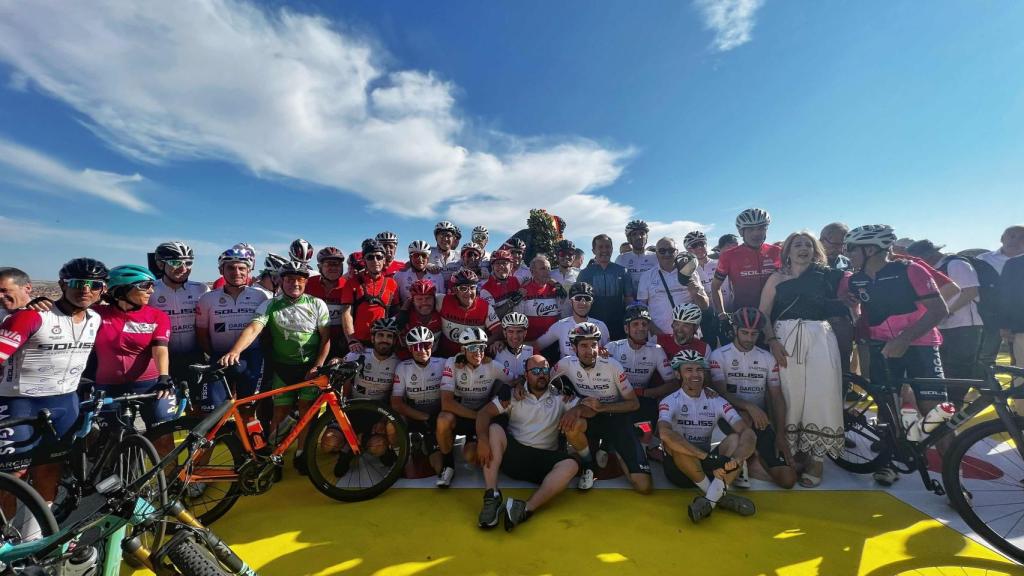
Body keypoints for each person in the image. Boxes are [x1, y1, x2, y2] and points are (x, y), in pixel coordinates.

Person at [845, 225, 949, 485]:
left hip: (921, 345)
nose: (848, 254)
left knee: (933, 410)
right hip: (882, 346)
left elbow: (939, 309)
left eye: (852, 249)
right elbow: (860, 309)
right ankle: (890, 461)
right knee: (886, 405)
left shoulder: (910, 270)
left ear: (870, 249)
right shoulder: (855, 279)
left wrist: (905, 338)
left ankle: (951, 479)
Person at [0, 259, 105, 511]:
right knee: (13, 476)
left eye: (94, 285)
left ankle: (35, 537)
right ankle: (6, 540)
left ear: (104, 289)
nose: (86, 290)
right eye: (78, 283)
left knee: (49, 471)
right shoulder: (32, 316)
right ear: (62, 284)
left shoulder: (95, 319)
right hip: (18, 403)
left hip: (65, 403)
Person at [219, 260, 330, 477]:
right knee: (280, 413)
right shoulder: (270, 304)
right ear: (281, 281)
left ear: (306, 282)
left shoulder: (317, 304)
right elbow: (253, 328)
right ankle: (276, 457)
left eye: (299, 279)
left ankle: (301, 454)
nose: (294, 284)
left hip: (309, 368)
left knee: (307, 411)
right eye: (289, 279)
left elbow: (326, 339)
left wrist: (318, 365)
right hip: (282, 368)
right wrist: (236, 351)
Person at [758, 233, 847, 487]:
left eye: (808, 245)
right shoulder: (776, 278)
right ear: (787, 251)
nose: (803, 249)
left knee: (822, 393)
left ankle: (817, 458)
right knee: (789, 393)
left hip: (820, 335)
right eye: (797, 245)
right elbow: (763, 313)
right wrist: (772, 341)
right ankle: (792, 449)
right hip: (785, 337)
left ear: (815, 249)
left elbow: (842, 302)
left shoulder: (827, 276)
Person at [475, 355, 581, 531]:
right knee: (494, 429)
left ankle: (525, 508)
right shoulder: (512, 395)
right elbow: (484, 414)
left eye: (545, 370)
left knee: (571, 465)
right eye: (536, 371)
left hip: (544, 460)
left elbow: (588, 408)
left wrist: (577, 409)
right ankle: (491, 496)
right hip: (515, 456)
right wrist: (482, 440)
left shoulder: (561, 396)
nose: (541, 375)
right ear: (526, 374)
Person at [658, 350, 756, 524]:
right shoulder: (669, 401)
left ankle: (710, 500)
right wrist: (707, 457)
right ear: (677, 373)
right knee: (673, 442)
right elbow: (664, 433)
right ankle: (720, 497)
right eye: (688, 370)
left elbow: (747, 432)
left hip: (709, 465)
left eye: (699, 369)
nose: (695, 374)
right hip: (681, 469)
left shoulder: (715, 399)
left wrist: (738, 459)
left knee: (735, 439)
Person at [553, 322, 651, 493]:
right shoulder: (566, 364)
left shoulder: (612, 365)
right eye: (583, 345)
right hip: (591, 416)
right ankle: (588, 465)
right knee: (571, 425)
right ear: (574, 348)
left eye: (593, 345)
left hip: (618, 419)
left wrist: (603, 407)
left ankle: (613, 447)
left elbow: (634, 403)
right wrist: (563, 390)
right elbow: (542, 379)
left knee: (644, 487)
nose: (589, 350)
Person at [707, 308, 797, 490]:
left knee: (787, 480)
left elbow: (777, 397)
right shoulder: (719, 355)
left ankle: (751, 459)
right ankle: (745, 460)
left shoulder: (767, 358)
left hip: (761, 422)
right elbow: (722, 392)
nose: (749, 338)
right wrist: (750, 407)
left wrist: (780, 434)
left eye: (754, 334)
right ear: (735, 330)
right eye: (744, 333)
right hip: (731, 419)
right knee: (746, 416)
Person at [908, 239, 985, 404]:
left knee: (962, 365)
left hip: (965, 324)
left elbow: (970, 291)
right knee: (948, 365)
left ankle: (957, 400)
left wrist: (947, 311)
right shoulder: (932, 268)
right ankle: (953, 398)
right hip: (943, 325)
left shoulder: (956, 264)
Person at [436, 327, 513, 487]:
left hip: (481, 420)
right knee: (443, 419)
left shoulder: (493, 365)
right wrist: (480, 416)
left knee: (471, 456)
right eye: (471, 348)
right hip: (466, 414)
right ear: (463, 350)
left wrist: (508, 387)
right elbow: (447, 402)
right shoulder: (453, 363)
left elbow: (518, 379)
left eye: (481, 347)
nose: (477, 352)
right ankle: (448, 465)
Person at [195, 248, 269, 412]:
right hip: (219, 358)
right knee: (213, 411)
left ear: (249, 270)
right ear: (221, 270)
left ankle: (243, 438)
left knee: (248, 410)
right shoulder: (207, 299)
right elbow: (201, 333)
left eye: (242, 268)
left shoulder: (261, 296)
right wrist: (214, 353)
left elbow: (263, 331)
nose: (237, 272)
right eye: (230, 268)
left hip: (252, 359)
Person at [332, 318, 401, 477]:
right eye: (380, 335)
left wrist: (383, 421)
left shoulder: (398, 363)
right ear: (372, 338)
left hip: (377, 412)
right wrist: (336, 360)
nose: (384, 340)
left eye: (389, 336)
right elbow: (344, 382)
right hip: (353, 408)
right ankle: (347, 448)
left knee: (378, 446)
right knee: (329, 443)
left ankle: (364, 444)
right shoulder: (357, 355)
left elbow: (393, 396)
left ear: (395, 340)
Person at [604, 304, 676, 431]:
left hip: (642, 399)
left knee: (646, 426)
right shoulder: (612, 347)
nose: (641, 328)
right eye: (636, 324)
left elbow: (672, 383)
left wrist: (644, 392)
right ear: (626, 329)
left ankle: (649, 442)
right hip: (616, 399)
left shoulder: (656, 350)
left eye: (644, 324)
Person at [150, 241, 209, 381]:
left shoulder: (201, 289)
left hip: (195, 355)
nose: (183, 268)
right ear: (160, 264)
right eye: (176, 263)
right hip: (162, 357)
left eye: (188, 263)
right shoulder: (150, 290)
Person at [391, 326, 446, 474]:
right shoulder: (403, 367)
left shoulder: (443, 363)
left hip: (435, 419)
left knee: (439, 468)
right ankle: (399, 456)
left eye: (426, 345)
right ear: (410, 349)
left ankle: (424, 442)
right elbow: (396, 403)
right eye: (416, 346)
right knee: (393, 424)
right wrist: (425, 417)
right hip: (415, 417)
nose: (422, 350)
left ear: (432, 345)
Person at [712, 208, 780, 316]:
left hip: (775, 313)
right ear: (741, 232)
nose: (756, 233)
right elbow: (715, 287)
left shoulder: (777, 252)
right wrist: (721, 313)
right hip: (743, 316)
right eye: (750, 229)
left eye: (761, 228)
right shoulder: (728, 256)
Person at [637, 237, 709, 339]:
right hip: (659, 338)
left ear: (677, 252)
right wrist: (658, 334)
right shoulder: (646, 276)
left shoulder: (691, 273)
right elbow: (641, 310)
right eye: (662, 251)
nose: (667, 254)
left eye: (671, 250)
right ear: (656, 254)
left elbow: (705, 305)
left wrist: (695, 293)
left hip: (689, 336)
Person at [978, 225, 1024, 377]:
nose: (1015, 240)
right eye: (1011, 236)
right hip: (988, 316)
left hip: (1018, 319)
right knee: (985, 358)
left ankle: (1015, 393)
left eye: (1021, 237)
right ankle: (989, 392)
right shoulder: (983, 260)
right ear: (1002, 238)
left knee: (1017, 361)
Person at [341, 239, 399, 354]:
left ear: (384, 259)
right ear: (364, 260)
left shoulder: (392, 283)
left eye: (379, 257)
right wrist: (351, 340)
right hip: (358, 343)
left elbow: (396, 311)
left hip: (382, 342)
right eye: (370, 257)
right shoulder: (352, 282)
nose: (375, 261)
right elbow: (347, 313)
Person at [577, 234, 634, 340]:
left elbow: (629, 299)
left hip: (619, 326)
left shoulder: (622, 271)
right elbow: (578, 302)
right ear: (593, 250)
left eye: (607, 247)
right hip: (592, 326)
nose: (604, 250)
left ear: (612, 249)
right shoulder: (584, 273)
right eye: (600, 247)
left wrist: (631, 321)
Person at [533, 282, 609, 359]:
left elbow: (609, 353)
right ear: (570, 301)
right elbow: (536, 346)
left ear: (592, 302)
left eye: (587, 299)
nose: (583, 303)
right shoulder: (561, 325)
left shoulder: (601, 326)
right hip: (566, 370)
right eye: (578, 298)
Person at [437, 269, 501, 357]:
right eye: (463, 288)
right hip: (445, 356)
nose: (469, 292)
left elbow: (498, 332)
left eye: (472, 287)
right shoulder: (443, 300)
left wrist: (481, 346)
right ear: (455, 290)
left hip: (472, 358)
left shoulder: (485, 307)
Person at [306, 247, 348, 356]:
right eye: (329, 264)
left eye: (337, 264)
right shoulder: (308, 284)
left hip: (339, 343)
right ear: (319, 267)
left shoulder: (348, 286)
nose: (334, 268)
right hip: (311, 341)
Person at [515, 256, 563, 343]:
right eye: (543, 268)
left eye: (549, 268)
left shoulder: (555, 289)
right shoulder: (524, 290)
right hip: (531, 342)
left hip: (553, 342)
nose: (547, 272)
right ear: (532, 271)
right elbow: (518, 321)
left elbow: (561, 314)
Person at [685, 231, 731, 313]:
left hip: (728, 311)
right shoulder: (687, 271)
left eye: (701, 243)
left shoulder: (720, 263)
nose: (699, 248)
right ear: (688, 250)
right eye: (694, 245)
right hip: (706, 316)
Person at [397, 279, 443, 359]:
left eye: (428, 298)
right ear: (413, 301)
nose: (424, 302)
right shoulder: (405, 316)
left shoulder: (441, 311)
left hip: (438, 357)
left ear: (434, 299)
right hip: (411, 359)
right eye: (419, 299)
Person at [998, 254, 1024, 382]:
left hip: (1021, 327)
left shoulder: (1014, 263)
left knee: (1021, 371)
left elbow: (1005, 296)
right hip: (1020, 327)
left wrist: (1004, 325)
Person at [394, 240, 446, 305]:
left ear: (428, 258)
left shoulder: (437, 276)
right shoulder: (399, 275)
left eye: (424, 255)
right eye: (416, 255)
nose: (420, 259)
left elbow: (442, 301)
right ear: (410, 257)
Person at [478, 249, 523, 320]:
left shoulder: (516, 280)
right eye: (498, 263)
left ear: (511, 266)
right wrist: (510, 303)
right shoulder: (486, 289)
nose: (501, 266)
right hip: (498, 328)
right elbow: (490, 318)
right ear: (492, 267)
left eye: (505, 263)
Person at [616, 220, 658, 293]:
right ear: (629, 238)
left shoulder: (656, 257)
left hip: (652, 300)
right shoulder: (621, 258)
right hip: (628, 301)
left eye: (642, 233)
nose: (639, 237)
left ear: (646, 237)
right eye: (634, 234)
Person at [493, 312, 534, 380]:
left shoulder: (532, 351)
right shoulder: (495, 349)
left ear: (525, 333)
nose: (515, 336)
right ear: (504, 333)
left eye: (519, 331)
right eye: (511, 331)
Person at [550, 240, 579, 316]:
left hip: (573, 321)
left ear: (574, 256)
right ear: (557, 256)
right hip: (552, 319)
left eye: (570, 254)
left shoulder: (580, 274)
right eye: (562, 253)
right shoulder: (549, 275)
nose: (566, 257)